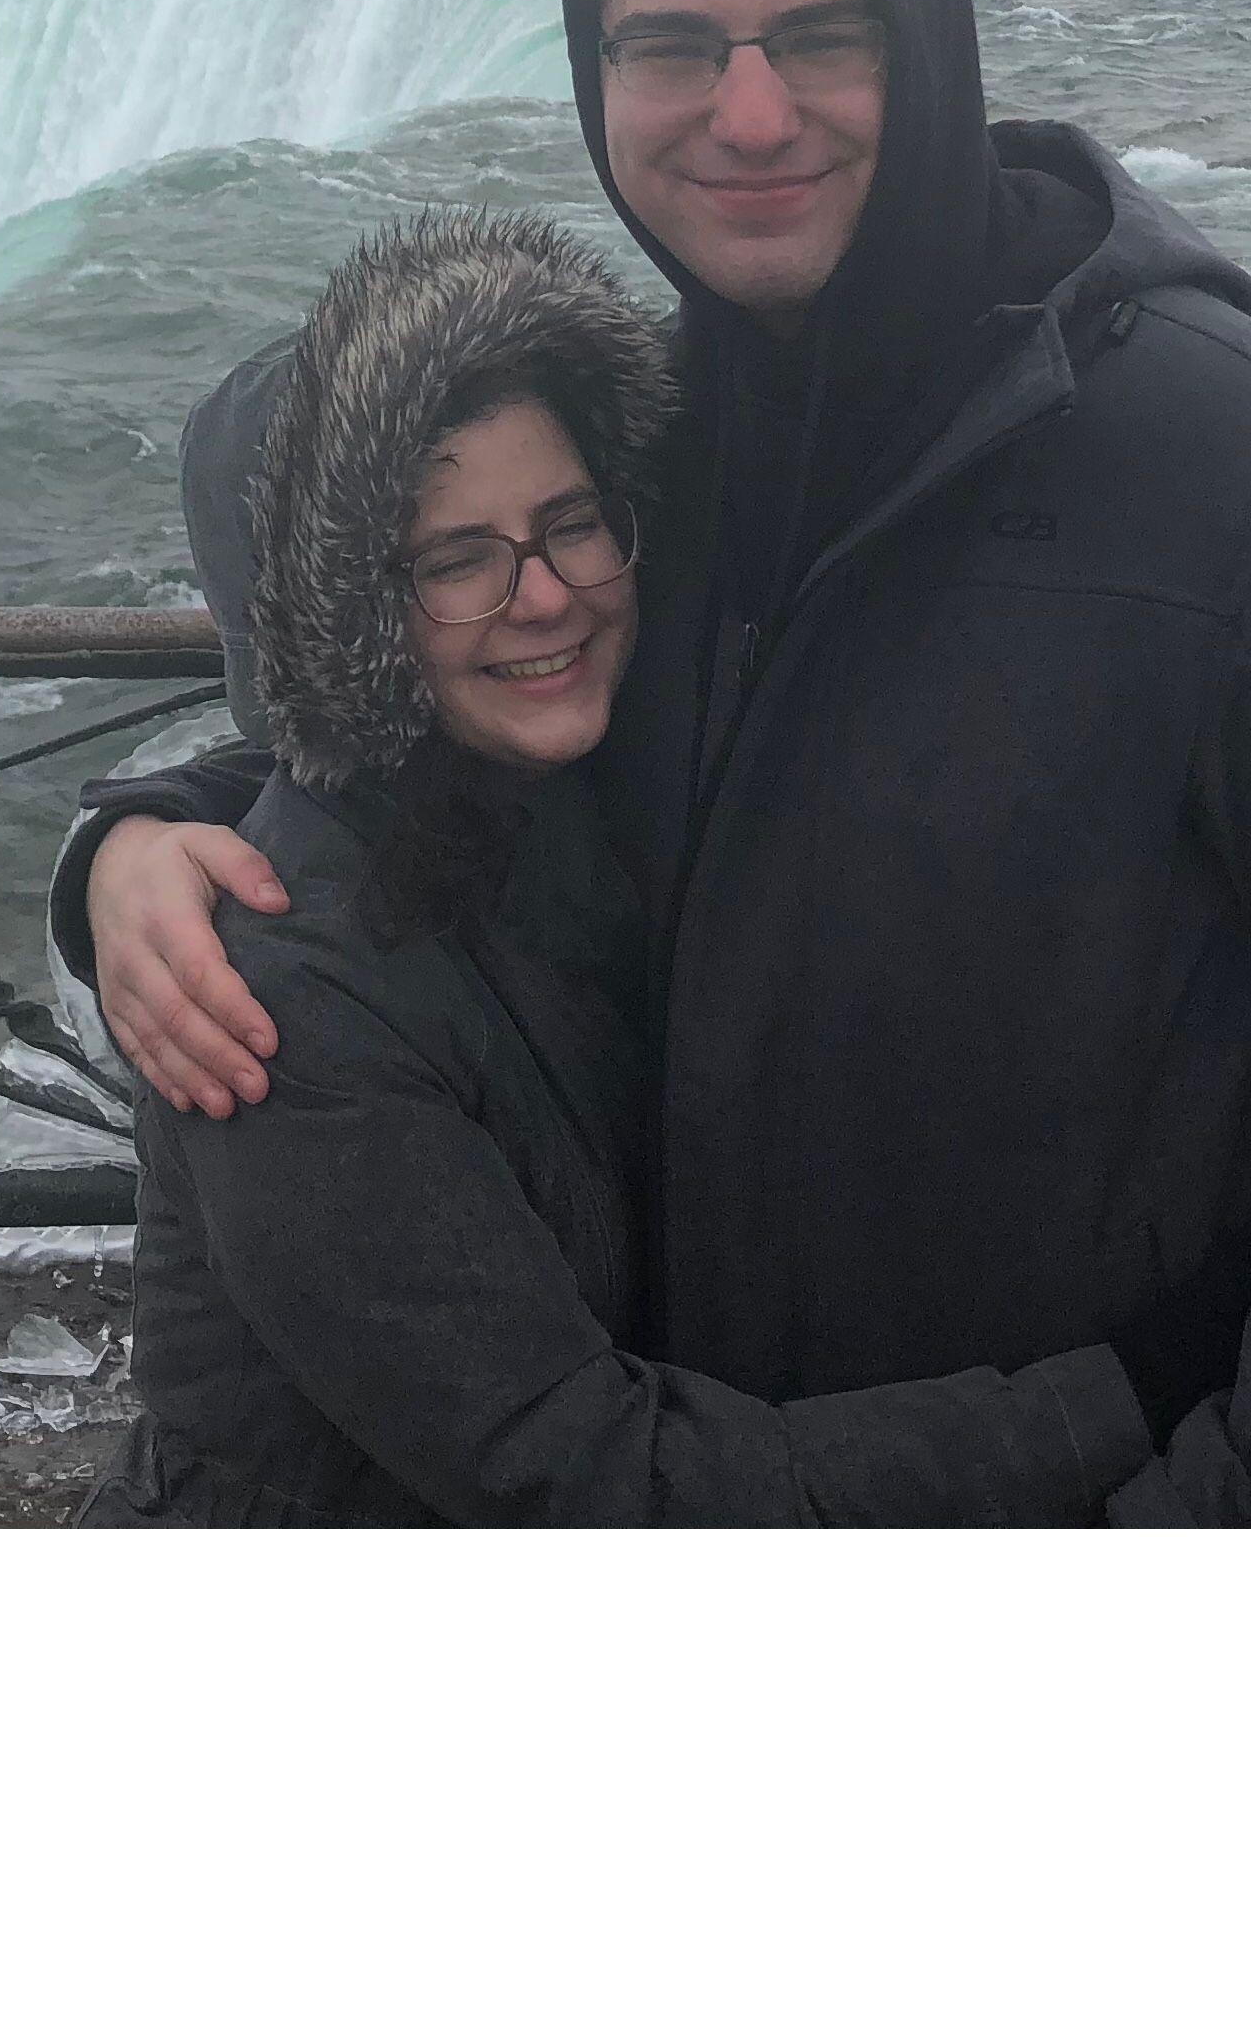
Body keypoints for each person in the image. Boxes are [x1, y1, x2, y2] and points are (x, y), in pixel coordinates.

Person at [62, 0, 1251, 1527]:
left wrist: (1241, 1513)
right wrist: (138, 838)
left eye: (820, 35)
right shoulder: (654, 445)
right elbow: (443, 708)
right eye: (670, 47)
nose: (746, 115)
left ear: (929, 45)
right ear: (595, 78)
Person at [78, 206, 1155, 1527]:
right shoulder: (273, 1011)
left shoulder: (590, 774)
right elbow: (579, 1477)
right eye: (453, 562)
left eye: (572, 522)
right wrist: (1097, 1416)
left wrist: (118, 833)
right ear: (343, 626)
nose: (543, 596)